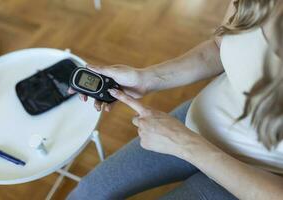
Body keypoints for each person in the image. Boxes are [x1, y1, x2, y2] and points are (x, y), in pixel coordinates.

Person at [67, 0, 283, 199]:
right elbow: (219, 46)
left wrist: (185, 145)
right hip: (196, 123)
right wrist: (146, 78)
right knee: (88, 192)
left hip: (252, 180)